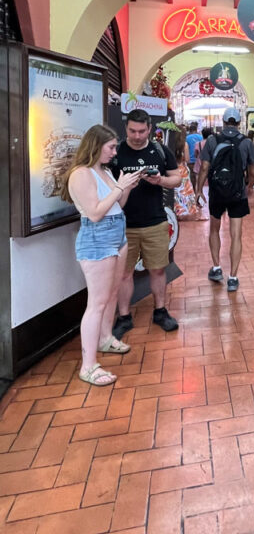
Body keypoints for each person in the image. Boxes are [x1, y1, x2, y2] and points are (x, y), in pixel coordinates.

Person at [61, 125, 143, 386]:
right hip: (98, 239)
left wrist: (126, 187)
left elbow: (117, 206)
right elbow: (95, 213)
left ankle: (105, 338)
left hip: (116, 235)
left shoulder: (104, 171)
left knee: (111, 293)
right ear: (96, 146)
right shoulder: (81, 174)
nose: (114, 152)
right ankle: (88, 365)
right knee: (96, 303)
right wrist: (120, 187)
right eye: (111, 147)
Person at [112, 109, 181, 338]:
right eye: (132, 130)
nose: (137, 135)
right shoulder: (116, 152)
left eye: (142, 131)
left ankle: (160, 311)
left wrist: (160, 180)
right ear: (126, 129)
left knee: (158, 269)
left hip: (155, 221)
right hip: (124, 224)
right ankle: (124, 316)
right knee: (124, 273)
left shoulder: (160, 151)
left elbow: (177, 179)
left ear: (150, 129)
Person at [196, 107, 254, 292]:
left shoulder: (213, 140)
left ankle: (216, 268)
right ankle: (233, 277)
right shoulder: (246, 142)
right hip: (238, 193)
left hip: (217, 192)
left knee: (214, 229)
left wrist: (199, 190)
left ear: (223, 122)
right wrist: (249, 186)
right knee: (236, 234)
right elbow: (252, 171)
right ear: (239, 123)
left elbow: (205, 167)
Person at [173, 129, 196, 219]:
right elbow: (187, 159)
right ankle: (185, 210)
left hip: (173, 169)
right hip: (183, 171)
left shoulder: (171, 144)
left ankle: (176, 210)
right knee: (185, 192)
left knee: (175, 192)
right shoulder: (184, 145)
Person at [186, 121, 202, 188]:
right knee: (199, 175)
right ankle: (199, 189)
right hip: (199, 160)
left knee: (192, 176)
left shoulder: (187, 138)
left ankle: (194, 190)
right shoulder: (201, 137)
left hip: (190, 160)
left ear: (190, 130)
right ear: (196, 130)